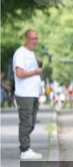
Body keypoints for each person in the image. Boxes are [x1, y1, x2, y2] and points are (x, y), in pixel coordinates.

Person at [13, 29, 44, 159]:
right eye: (32, 38)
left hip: (33, 94)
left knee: (31, 123)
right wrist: (35, 72)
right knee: (26, 122)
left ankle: (25, 147)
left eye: (36, 38)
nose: (34, 41)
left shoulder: (31, 53)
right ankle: (25, 149)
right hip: (24, 94)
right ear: (26, 39)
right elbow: (19, 73)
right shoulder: (20, 53)